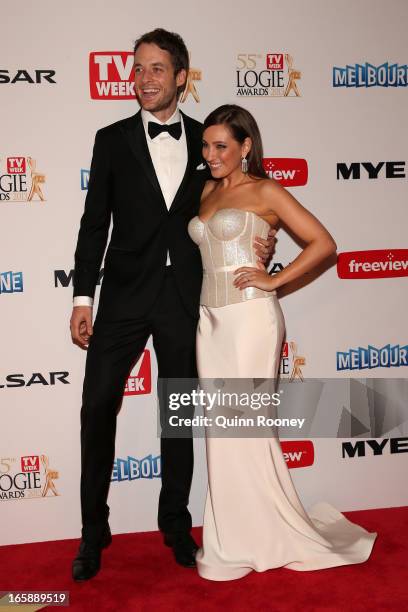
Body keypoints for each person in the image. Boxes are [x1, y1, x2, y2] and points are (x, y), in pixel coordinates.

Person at [70, 30, 275, 581]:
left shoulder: (205, 141)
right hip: (123, 297)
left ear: (181, 77)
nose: (144, 79)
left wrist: (262, 235)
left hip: (186, 298)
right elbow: (95, 225)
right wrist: (82, 295)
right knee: (95, 408)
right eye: (138, 70)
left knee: (178, 414)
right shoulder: (110, 140)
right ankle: (93, 531)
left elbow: (241, 193)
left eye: (157, 69)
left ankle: (176, 524)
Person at [188, 104, 377, 581]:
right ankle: (232, 534)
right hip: (209, 322)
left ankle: (265, 532)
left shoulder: (266, 190)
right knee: (221, 430)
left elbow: (323, 243)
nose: (210, 154)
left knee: (246, 427)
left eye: (221, 146)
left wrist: (273, 280)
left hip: (251, 319)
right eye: (206, 145)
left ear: (245, 146)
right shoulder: (206, 190)